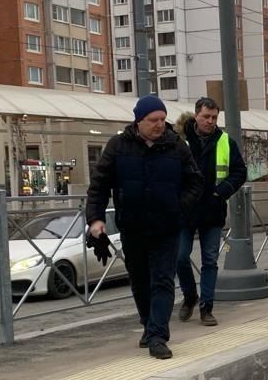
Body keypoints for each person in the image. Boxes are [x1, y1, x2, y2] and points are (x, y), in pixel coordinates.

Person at [86, 95, 203, 359]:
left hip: (167, 226)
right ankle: (148, 324)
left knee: (163, 279)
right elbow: (99, 184)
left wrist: (178, 206)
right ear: (139, 120)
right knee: (139, 280)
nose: (160, 125)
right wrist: (96, 220)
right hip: (133, 226)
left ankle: (158, 335)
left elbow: (195, 182)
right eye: (154, 120)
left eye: (163, 119)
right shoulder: (118, 146)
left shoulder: (177, 146)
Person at [177, 97, 247, 326]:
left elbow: (239, 172)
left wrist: (221, 191)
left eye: (214, 117)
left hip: (212, 210)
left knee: (210, 260)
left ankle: (207, 308)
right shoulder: (180, 140)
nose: (210, 121)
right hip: (185, 210)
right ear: (196, 115)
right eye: (206, 116)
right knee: (179, 256)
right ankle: (190, 296)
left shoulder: (226, 141)